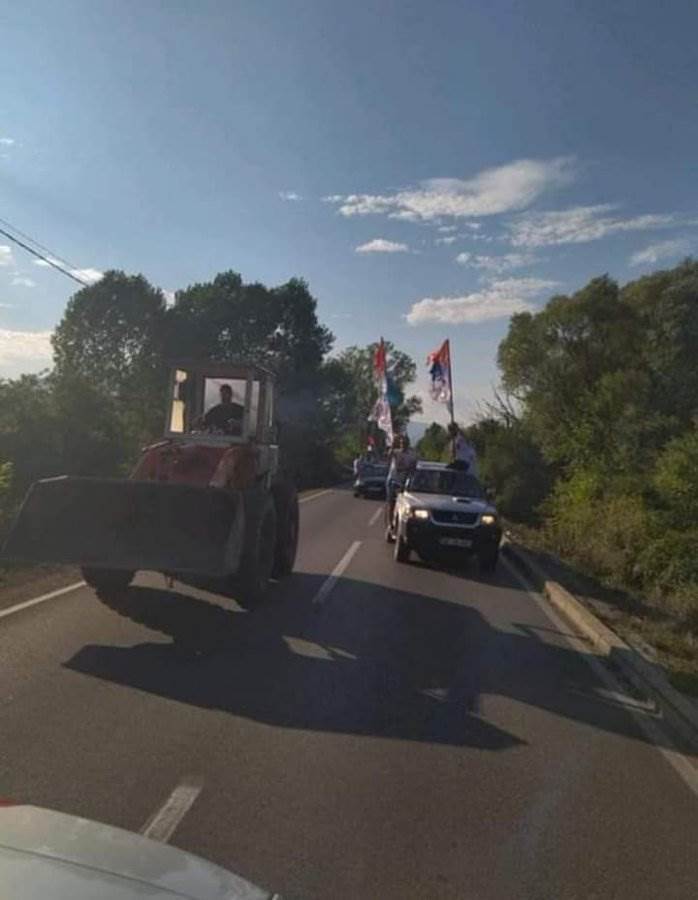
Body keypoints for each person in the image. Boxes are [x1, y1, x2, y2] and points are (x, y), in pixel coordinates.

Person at [385, 435, 418, 524]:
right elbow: (388, 456)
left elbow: (413, 469)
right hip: (393, 480)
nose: (402, 444)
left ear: (408, 444)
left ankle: (400, 522)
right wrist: (392, 444)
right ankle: (390, 523)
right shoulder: (395, 452)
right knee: (391, 503)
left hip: (404, 482)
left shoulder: (411, 455)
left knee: (403, 504)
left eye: (404, 443)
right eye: (401, 442)